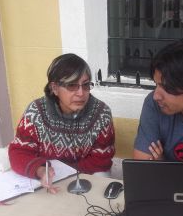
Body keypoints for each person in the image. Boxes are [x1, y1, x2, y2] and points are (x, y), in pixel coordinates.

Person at [9, 54, 115, 193]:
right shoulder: (36, 112)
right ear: (54, 88)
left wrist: (64, 173)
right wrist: (40, 171)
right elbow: (19, 152)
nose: (81, 93)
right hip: (48, 176)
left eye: (86, 85)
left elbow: (101, 161)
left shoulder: (101, 113)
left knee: (102, 179)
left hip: (85, 174)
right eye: (72, 85)